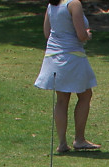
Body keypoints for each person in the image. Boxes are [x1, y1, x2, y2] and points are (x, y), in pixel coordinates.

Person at [34, 0, 99, 152]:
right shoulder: (73, 4)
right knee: (85, 95)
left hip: (53, 57)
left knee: (62, 100)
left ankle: (62, 143)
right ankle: (79, 139)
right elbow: (81, 35)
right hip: (72, 56)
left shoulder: (52, 5)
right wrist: (88, 34)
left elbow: (46, 33)